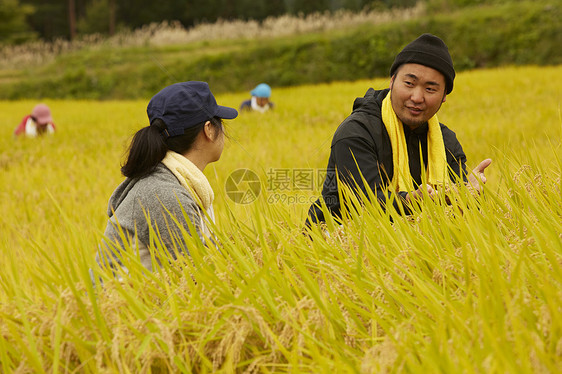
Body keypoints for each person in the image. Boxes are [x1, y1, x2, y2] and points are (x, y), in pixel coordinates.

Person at [307, 33, 492, 226]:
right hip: (337, 240)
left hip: (411, 243)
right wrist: (411, 200)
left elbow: (460, 210)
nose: (417, 97)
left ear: (444, 95)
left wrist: (471, 194)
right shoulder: (357, 132)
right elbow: (363, 203)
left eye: (430, 89)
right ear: (392, 81)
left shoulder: (445, 142)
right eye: (409, 84)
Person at [96, 81, 238, 276]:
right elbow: (196, 279)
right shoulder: (166, 196)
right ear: (209, 129)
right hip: (121, 304)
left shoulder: (174, 183)